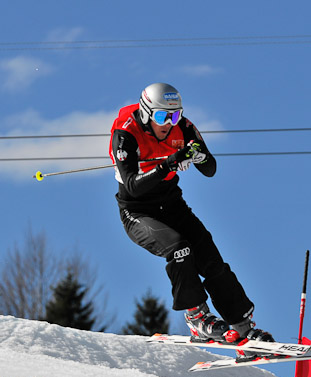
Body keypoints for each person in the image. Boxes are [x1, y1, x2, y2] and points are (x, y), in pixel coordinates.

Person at [109, 82, 273, 345]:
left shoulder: (183, 128)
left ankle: (242, 326)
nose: (168, 123)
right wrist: (169, 163)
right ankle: (197, 317)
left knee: (210, 259)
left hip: (172, 205)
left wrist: (197, 156)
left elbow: (211, 169)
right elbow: (132, 187)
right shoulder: (125, 134)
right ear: (146, 112)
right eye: (162, 116)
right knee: (179, 249)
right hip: (138, 211)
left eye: (174, 116)